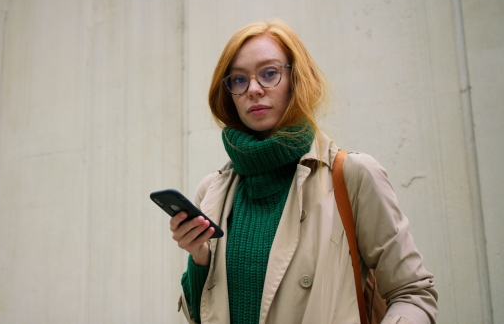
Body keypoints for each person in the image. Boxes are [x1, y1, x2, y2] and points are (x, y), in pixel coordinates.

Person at [169, 20, 438, 323]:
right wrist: (200, 258)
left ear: (297, 79)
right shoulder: (213, 191)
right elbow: (199, 315)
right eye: (238, 80)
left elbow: (412, 293)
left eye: (269, 73)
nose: (253, 89)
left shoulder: (352, 175)